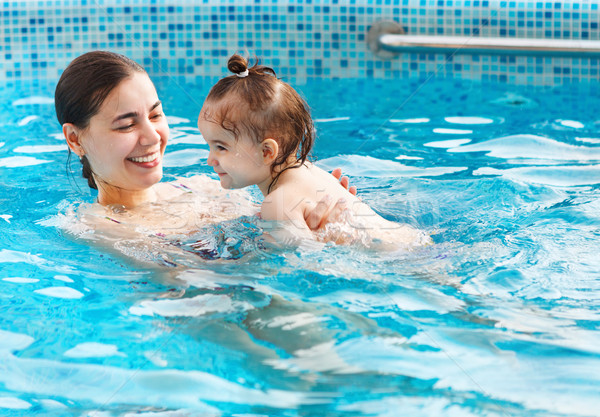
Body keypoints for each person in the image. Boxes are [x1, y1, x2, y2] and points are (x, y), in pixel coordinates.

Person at [54, 51, 356, 260]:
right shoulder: (98, 227)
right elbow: (200, 282)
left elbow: (282, 222)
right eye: (127, 125)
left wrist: (323, 211)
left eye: (156, 115)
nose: (152, 137)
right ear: (74, 139)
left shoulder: (205, 186)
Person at [197, 54, 430, 248]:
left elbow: (301, 266)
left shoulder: (278, 203)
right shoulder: (309, 173)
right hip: (416, 243)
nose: (210, 160)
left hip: (404, 263)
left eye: (221, 147)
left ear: (267, 151)